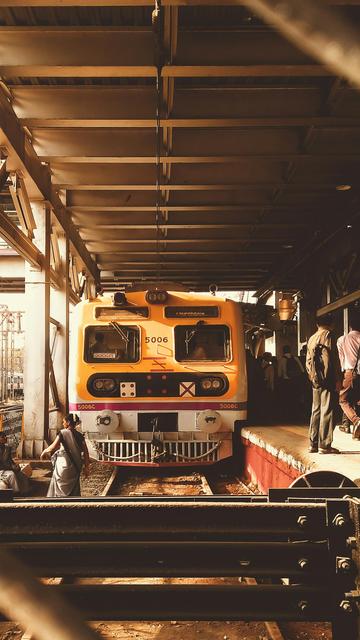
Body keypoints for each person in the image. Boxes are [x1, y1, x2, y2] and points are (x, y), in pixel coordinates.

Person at [306, 314, 340, 454]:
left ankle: (313, 443)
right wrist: (337, 378)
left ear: (316, 324)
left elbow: (308, 360)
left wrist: (312, 376)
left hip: (315, 379)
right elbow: (332, 359)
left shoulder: (312, 338)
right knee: (327, 410)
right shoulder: (328, 335)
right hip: (328, 378)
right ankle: (324, 445)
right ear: (331, 323)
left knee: (316, 409)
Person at [40, 414, 90, 497]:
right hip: (76, 466)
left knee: (60, 485)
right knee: (73, 486)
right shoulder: (80, 435)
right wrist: (86, 467)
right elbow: (86, 452)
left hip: (63, 464)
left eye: (64, 422)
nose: (63, 423)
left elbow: (53, 446)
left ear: (68, 422)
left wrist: (44, 451)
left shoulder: (63, 433)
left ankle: (59, 502)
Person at [337, 311, 360, 439]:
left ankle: (356, 420)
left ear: (350, 326)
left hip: (349, 372)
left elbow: (341, 359)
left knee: (343, 399)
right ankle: (352, 430)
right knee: (357, 400)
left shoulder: (342, 339)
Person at [278, 345, 304, 420]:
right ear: (290, 350)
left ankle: (288, 415)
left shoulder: (282, 360)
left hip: (286, 382)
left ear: (283, 351)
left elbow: (279, 374)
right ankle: (296, 414)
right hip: (295, 381)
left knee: (287, 399)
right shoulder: (295, 358)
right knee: (295, 398)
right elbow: (302, 370)